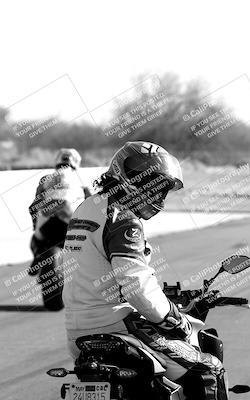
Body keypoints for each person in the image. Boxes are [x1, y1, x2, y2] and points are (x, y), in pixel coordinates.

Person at [62, 141, 223, 396]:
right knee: (207, 369)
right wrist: (175, 318)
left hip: (76, 332)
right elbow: (137, 286)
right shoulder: (124, 219)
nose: (155, 195)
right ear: (127, 177)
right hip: (115, 326)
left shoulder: (87, 208)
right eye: (151, 185)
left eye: (161, 189)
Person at [28, 148, 91, 276]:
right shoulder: (82, 179)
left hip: (47, 216)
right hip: (70, 216)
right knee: (90, 241)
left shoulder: (45, 179)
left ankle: (38, 255)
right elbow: (91, 201)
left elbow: (33, 206)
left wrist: (36, 226)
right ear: (76, 162)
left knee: (36, 239)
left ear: (57, 161)